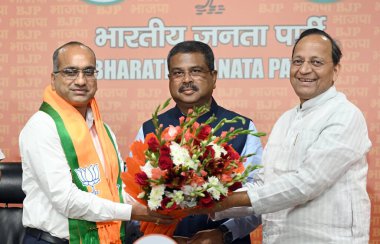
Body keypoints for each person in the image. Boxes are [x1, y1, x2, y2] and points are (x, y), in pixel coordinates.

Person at [193, 28, 372, 243]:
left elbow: (306, 184)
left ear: (335, 70)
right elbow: (263, 184)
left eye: (316, 62)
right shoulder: (285, 120)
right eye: (298, 61)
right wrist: (203, 201)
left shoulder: (346, 115)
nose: (304, 69)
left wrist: (226, 201)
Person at [19, 41, 172, 244]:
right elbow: (66, 201)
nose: (81, 81)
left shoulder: (103, 130)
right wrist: (132, 212)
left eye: (88, 72)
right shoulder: (42, 127)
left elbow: (115, 190)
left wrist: (161, 204)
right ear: (53, 79)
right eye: (70, 72)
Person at [134, 40, 263, 243]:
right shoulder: (151, 130)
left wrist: (224, 233)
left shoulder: (242, 128)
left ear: (213, 77)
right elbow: (136, 196)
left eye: (195, 71)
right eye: (178, 73)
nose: (186, 79)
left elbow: (258, 200)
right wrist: (160, 236)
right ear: (169, 79)